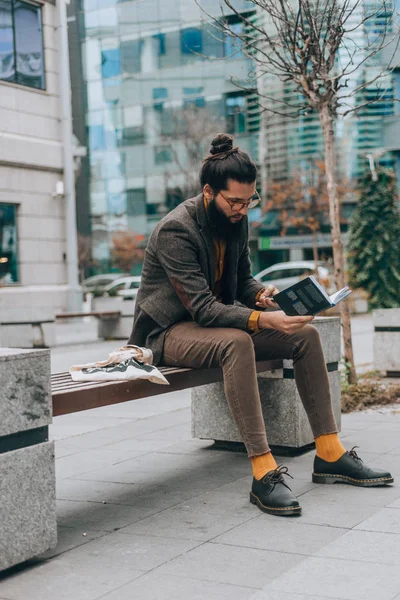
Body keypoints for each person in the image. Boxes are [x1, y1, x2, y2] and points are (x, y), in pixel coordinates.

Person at [128, 133, 393, 517]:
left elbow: (242, 280)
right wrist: (260, 318)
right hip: (169, 332)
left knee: (304, 334)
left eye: (249, 200)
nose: (242, 209)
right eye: (234, 201)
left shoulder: (236, 221)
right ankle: (262, 470)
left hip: (214, 325)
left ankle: (330, 453)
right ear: (208, 192)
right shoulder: (176, 230)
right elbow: (202, 307)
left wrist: (261, 297)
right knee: (237, 342)